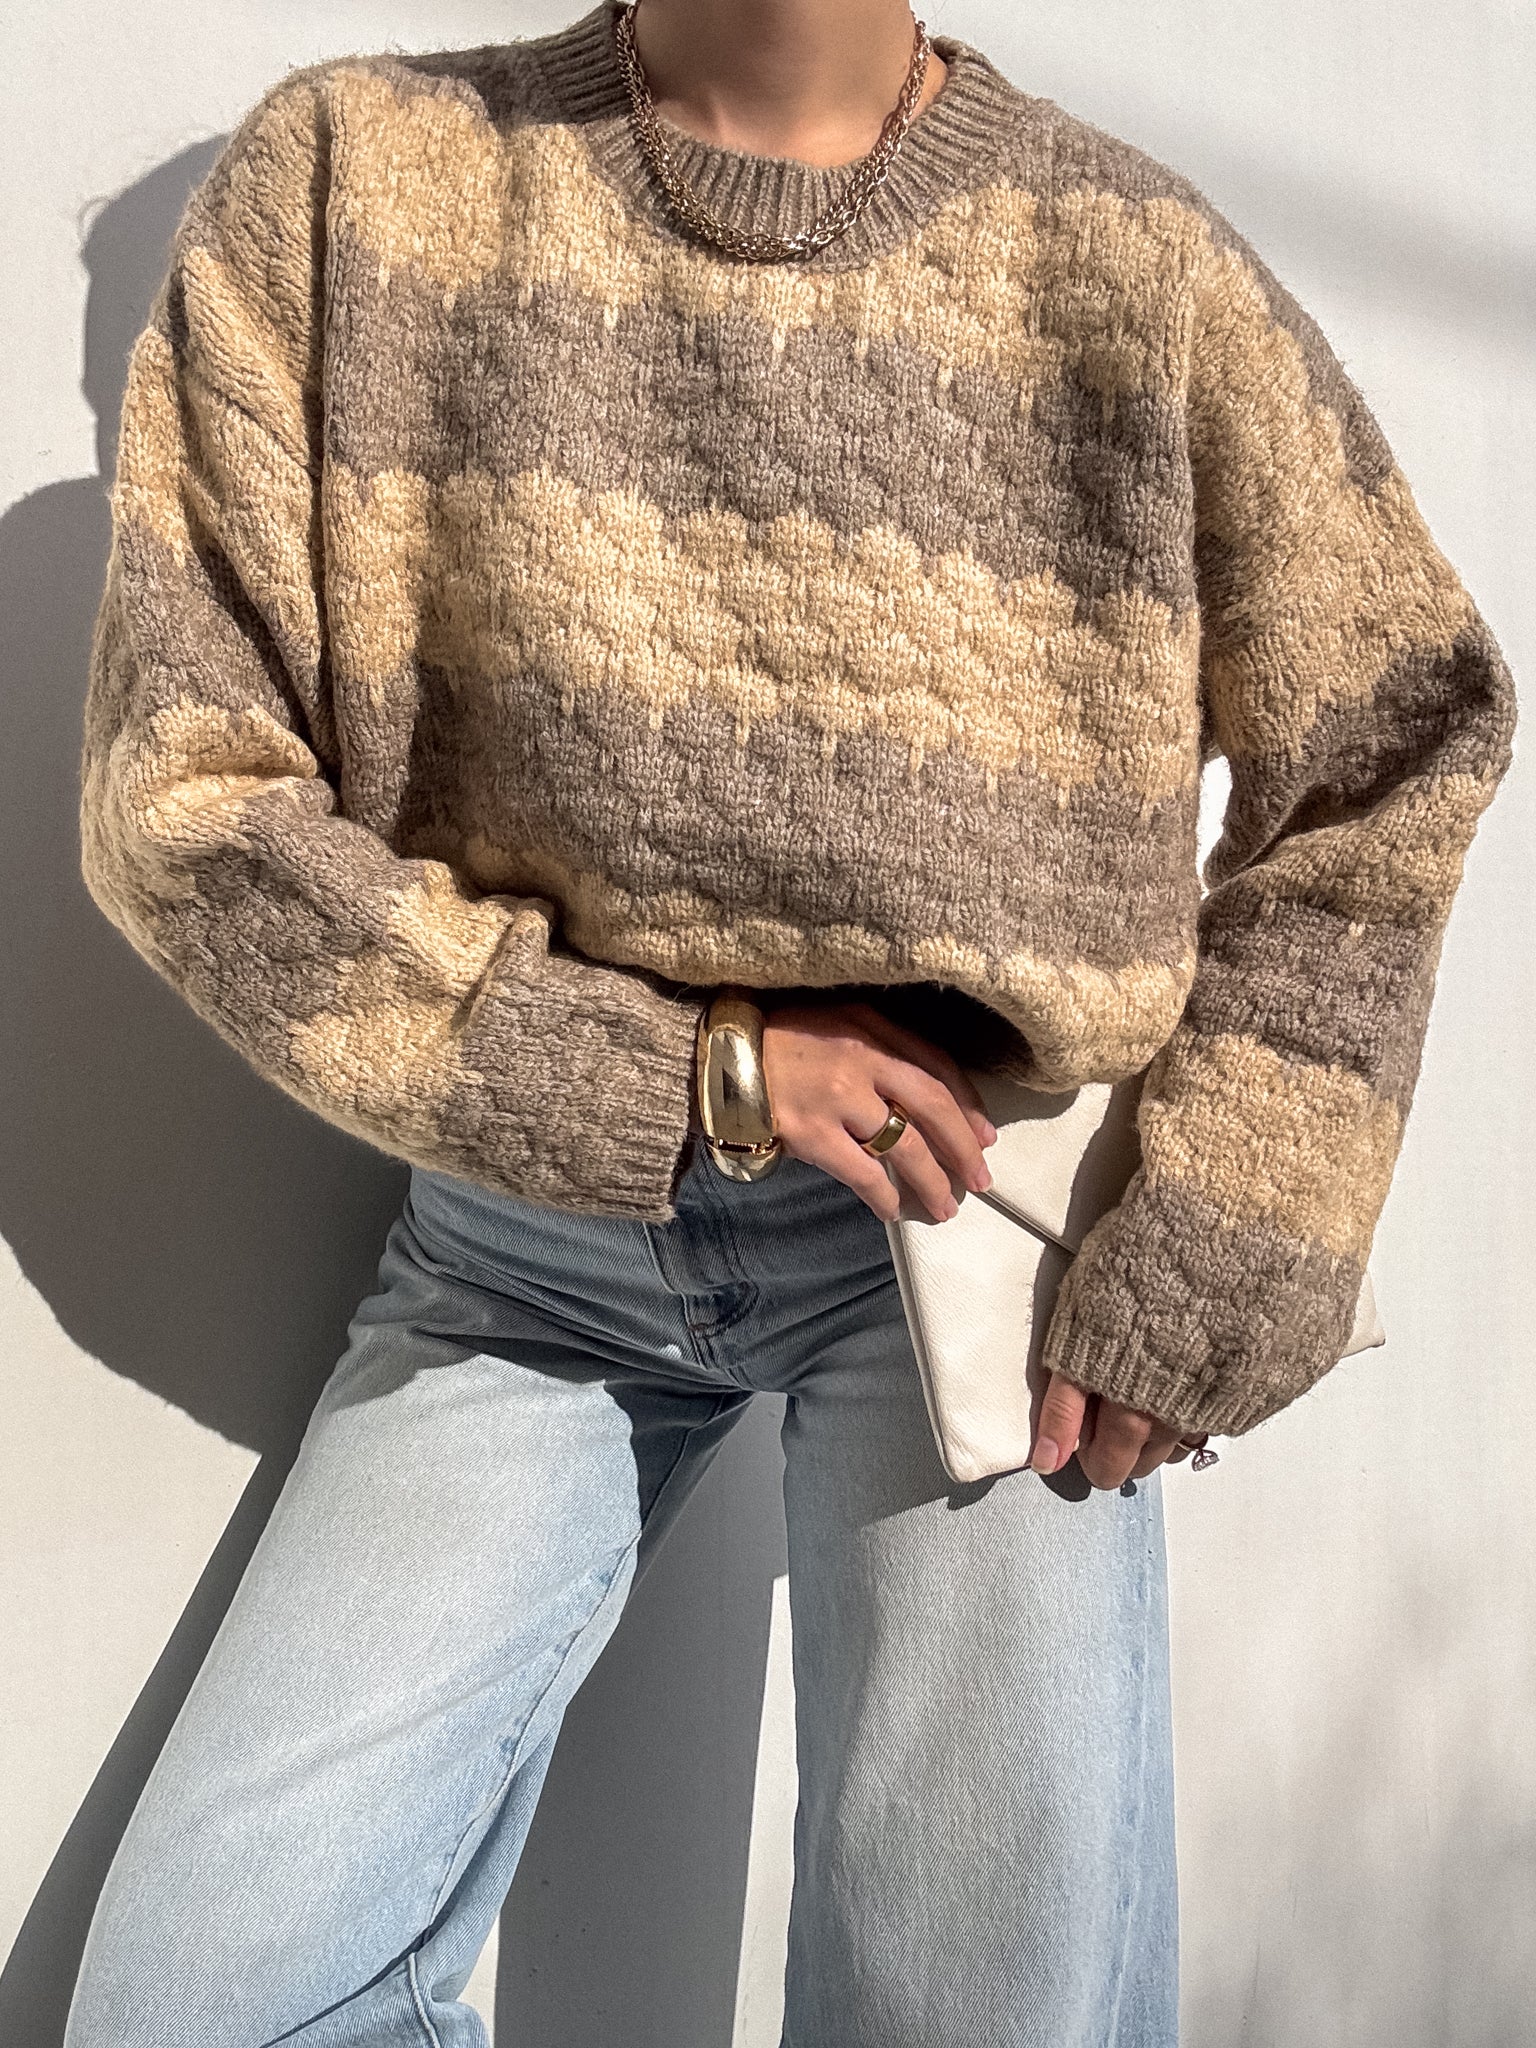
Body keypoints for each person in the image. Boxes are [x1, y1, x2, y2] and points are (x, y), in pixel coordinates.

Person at [65, 0, 1516, 2043]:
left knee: (976, 2015)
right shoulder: (351, 188)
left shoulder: (1132, 268)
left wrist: (1217, 1242)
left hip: (966, 1242)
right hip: (526, 1241)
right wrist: (684, 1077)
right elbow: (185, 800)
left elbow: (1398, 735)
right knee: (196, 2003)